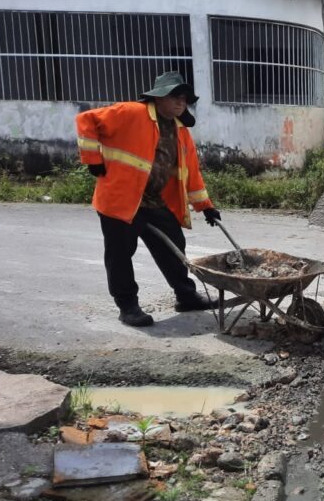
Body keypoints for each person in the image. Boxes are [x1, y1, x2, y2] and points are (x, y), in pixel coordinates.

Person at [76, 71, 220, 327]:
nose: (180, 102)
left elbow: (191, 174)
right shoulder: (130, 113)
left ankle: (186, 296)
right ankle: (128, 306)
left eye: (184, 98)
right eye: (175, 96)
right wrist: (92, 160)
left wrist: (205, 207)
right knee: (120, 254)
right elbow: (86, 120)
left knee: (174, 246)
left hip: (153, 201)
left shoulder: (181, 132)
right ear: (158, 97)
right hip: (121, 201)